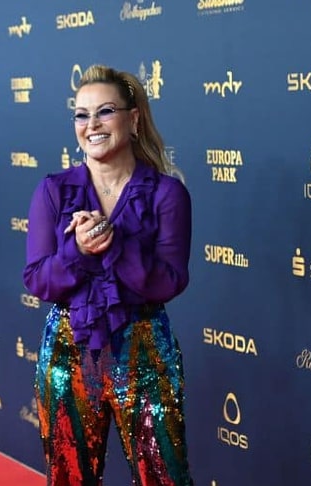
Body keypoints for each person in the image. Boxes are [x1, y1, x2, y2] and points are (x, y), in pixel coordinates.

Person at [23, 65, 194, 485]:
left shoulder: (167, 193)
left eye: (105, 111)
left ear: (133, 119)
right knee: (69, 478)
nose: (92, 125)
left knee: (163, 477)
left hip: (146, 354)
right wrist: (78, 251)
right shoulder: (53, 191)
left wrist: (115, 244)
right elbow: (38, 279)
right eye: (82, 115)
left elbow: (170, 281)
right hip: (67, 354)